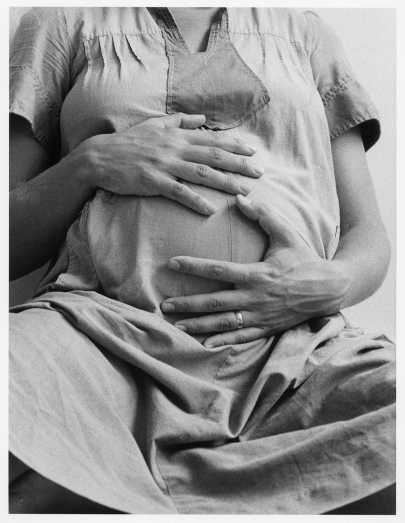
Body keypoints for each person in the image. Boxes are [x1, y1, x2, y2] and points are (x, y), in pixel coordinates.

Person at [9, 7, 395, 514]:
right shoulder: (63, 23)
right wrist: (90, 162)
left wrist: (330, 284)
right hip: (96, 338)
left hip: (290, 357)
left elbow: (368, 234)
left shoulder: (307, 34)